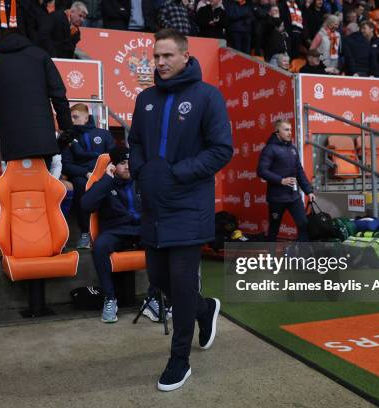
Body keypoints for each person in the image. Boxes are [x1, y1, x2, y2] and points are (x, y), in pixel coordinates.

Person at [129, 29, 232, 391]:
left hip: (188, 205)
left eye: (167, 56)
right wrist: (143, 170)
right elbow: (136, 142)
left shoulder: (208, 96)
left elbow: (221, 149)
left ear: (185, 56)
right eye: (156, 57)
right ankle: (205, 310)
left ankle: (179, 361)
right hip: (154, 206)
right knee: (159, 279)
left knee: (183, 283)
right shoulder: (145, 99)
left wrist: (175, 173)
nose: (159, 63)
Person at [80, 146, 166, 323]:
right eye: (122, 163)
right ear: (113, 166)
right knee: (101, 246)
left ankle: (152, 299)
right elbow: (86, 205)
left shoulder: (142, 181)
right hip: (116, 232)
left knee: (163, 240)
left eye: (130, 162)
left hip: (141, 231)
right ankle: (110, 298)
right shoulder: (105, 183)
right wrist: (107, 179)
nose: (127, 166)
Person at [0, 31, 74, 164]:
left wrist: (2, 133)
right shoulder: (40, 55)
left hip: (12, 141)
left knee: (17, 184)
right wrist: (66, 127)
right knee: (43, 183)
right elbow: (58, 94)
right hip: (42, 140)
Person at [61, 103, 115, 249]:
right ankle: (85, 233)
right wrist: (85, 172)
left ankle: (111, 230)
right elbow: (66, 164)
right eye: (70, 117)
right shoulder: (67, 138)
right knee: (79, 185)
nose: (72, 120)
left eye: (76, 117)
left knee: (113, 184)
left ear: (86, 117)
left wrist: (104, 170)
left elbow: (113, 157)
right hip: (81, 175)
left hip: (103, 173)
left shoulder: (104, 134)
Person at [257, 120, 315, 242]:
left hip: (294, 197)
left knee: (303, 224)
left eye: (291, 129)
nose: (290, 133)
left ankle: (302, 257)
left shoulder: (293, 149)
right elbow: (261, 171)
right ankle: (270, 259)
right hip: (277, 198)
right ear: (277, 132)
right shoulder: (269, 149)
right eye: (286, 130)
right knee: (274, 229)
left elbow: (299, 171)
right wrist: (281, 180)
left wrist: (309, 191)